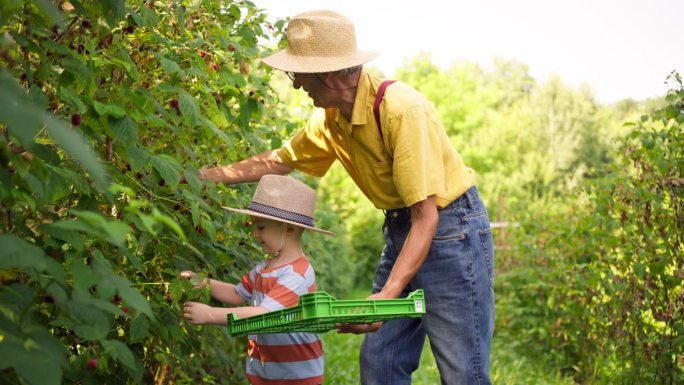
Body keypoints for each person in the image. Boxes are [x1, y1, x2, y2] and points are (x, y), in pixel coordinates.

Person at [198, 10, 495, 385]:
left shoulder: (402, 111)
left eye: (296, 74)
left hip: (453, 230)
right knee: (380, 365)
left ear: (326, 74)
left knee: (461, 370)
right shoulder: (330, 120)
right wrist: (206, 177)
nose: (295, 86)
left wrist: (388, 295)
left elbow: (427, 215)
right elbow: (279, 161)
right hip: (402, 228)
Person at [181, 174, 332, 385]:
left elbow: (263, 315)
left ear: (289, 228)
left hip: (297, 374)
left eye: (260, 227)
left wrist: (210, 314)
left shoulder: (297, 274)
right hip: (265, 370)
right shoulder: (264, 268)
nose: (253, 233)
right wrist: (205, 283)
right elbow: (236, 294)